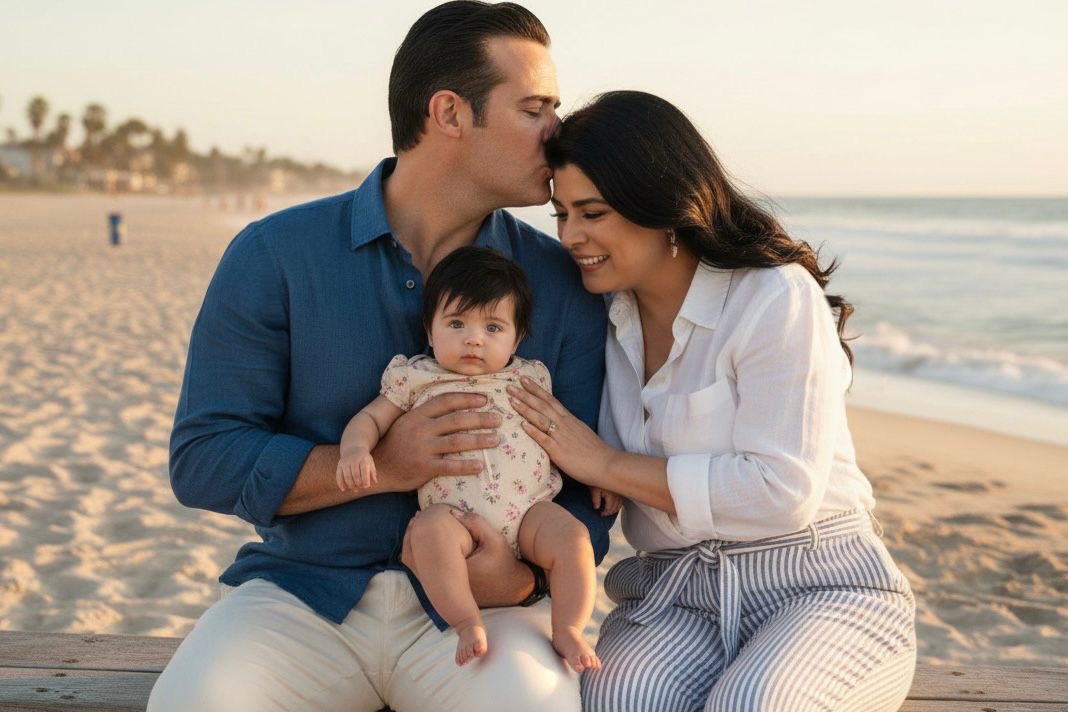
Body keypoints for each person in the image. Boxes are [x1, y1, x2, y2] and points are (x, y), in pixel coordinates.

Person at [147, 4, 612, 711]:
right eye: (534, 109)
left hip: (487, 614)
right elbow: (204, 457)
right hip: (302, 599)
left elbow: (588, 496)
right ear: (450, 113)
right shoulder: (275, 255)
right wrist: (379, 467)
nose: (560, 130)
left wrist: (517, 583)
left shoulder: (561, 281)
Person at [507, 90, 918, 711]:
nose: (571, 237)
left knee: (753, 703)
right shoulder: (598, 317)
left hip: (821, 586)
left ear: (661, 206)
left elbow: (780, 490)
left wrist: (610, 466)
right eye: (561, 214)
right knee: (614, 698)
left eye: (592, 213)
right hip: (676, 595)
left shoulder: (772, 296)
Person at [337, 246, 617, 670]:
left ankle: (569, 628)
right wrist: (356, 449)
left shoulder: (529, 376)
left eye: (492, 327)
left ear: (517, 338)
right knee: (430, 532)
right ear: (429, 332)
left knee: (573, 537)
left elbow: (563, 434)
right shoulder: (417, 376)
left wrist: (595, 473)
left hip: (529, 514)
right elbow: (370, 419)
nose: (473, 338)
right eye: (456, 323)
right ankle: (467, 620)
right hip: (455, 517)